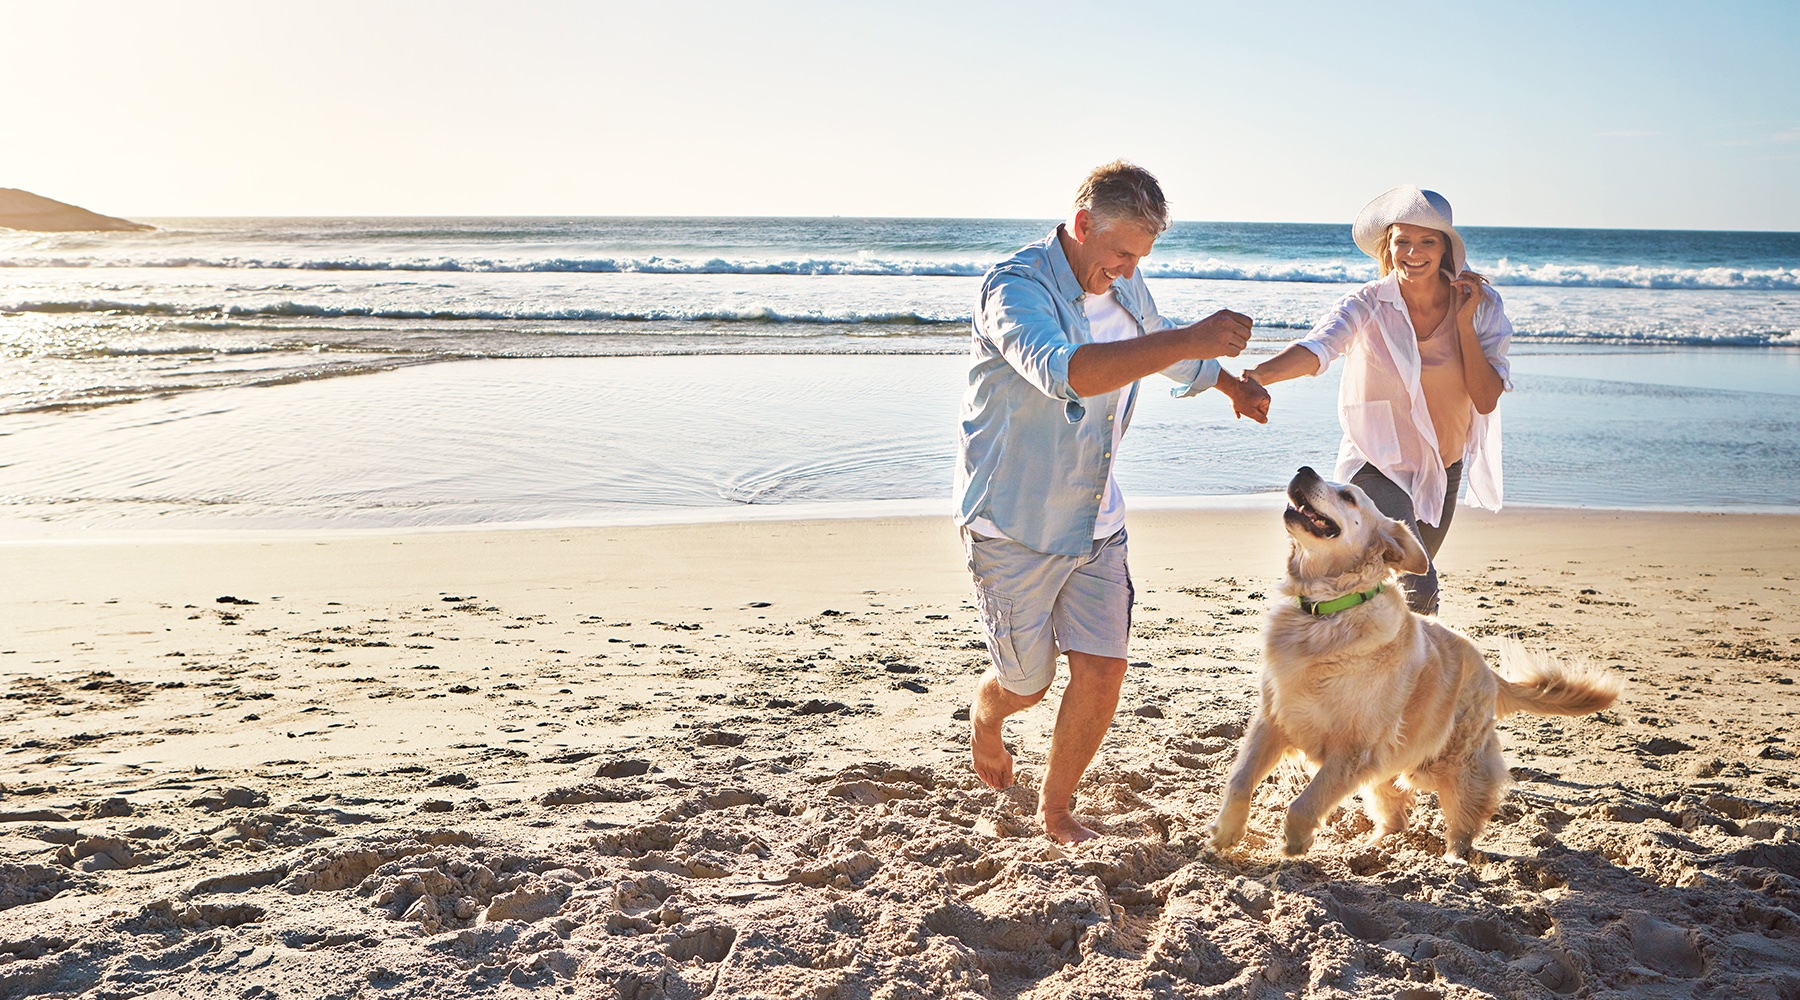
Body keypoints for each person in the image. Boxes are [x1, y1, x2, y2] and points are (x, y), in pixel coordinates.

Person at [956, 161, 1270, 845]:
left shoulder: (1125, 285)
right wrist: (1189, 338)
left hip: (1097, 517)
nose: (1130, 269)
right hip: (1015, 523)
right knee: (1028, 685)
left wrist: (1227, 385)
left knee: (1104, 670)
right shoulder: (1014, 290)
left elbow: (1159, 351)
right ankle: (988, 711)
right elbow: (1066, 372)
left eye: (1141, 257)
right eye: (1122, 252)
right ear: (1081, 226)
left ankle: (1056, 809)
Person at [1243, 185, 1513, 613]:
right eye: (1402, 240)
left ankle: (1369, 666)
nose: (1413, 252)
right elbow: (1318, 348)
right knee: (1416, 588)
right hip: (1377, 464)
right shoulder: (1367, 304)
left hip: (1443, 468)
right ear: (1387, 246)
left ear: (1445, 248)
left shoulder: (1482, 307)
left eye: (1427, 241)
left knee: (1391, 591)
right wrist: (1258, 376)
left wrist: (1463, 324)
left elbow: (1485, 399)